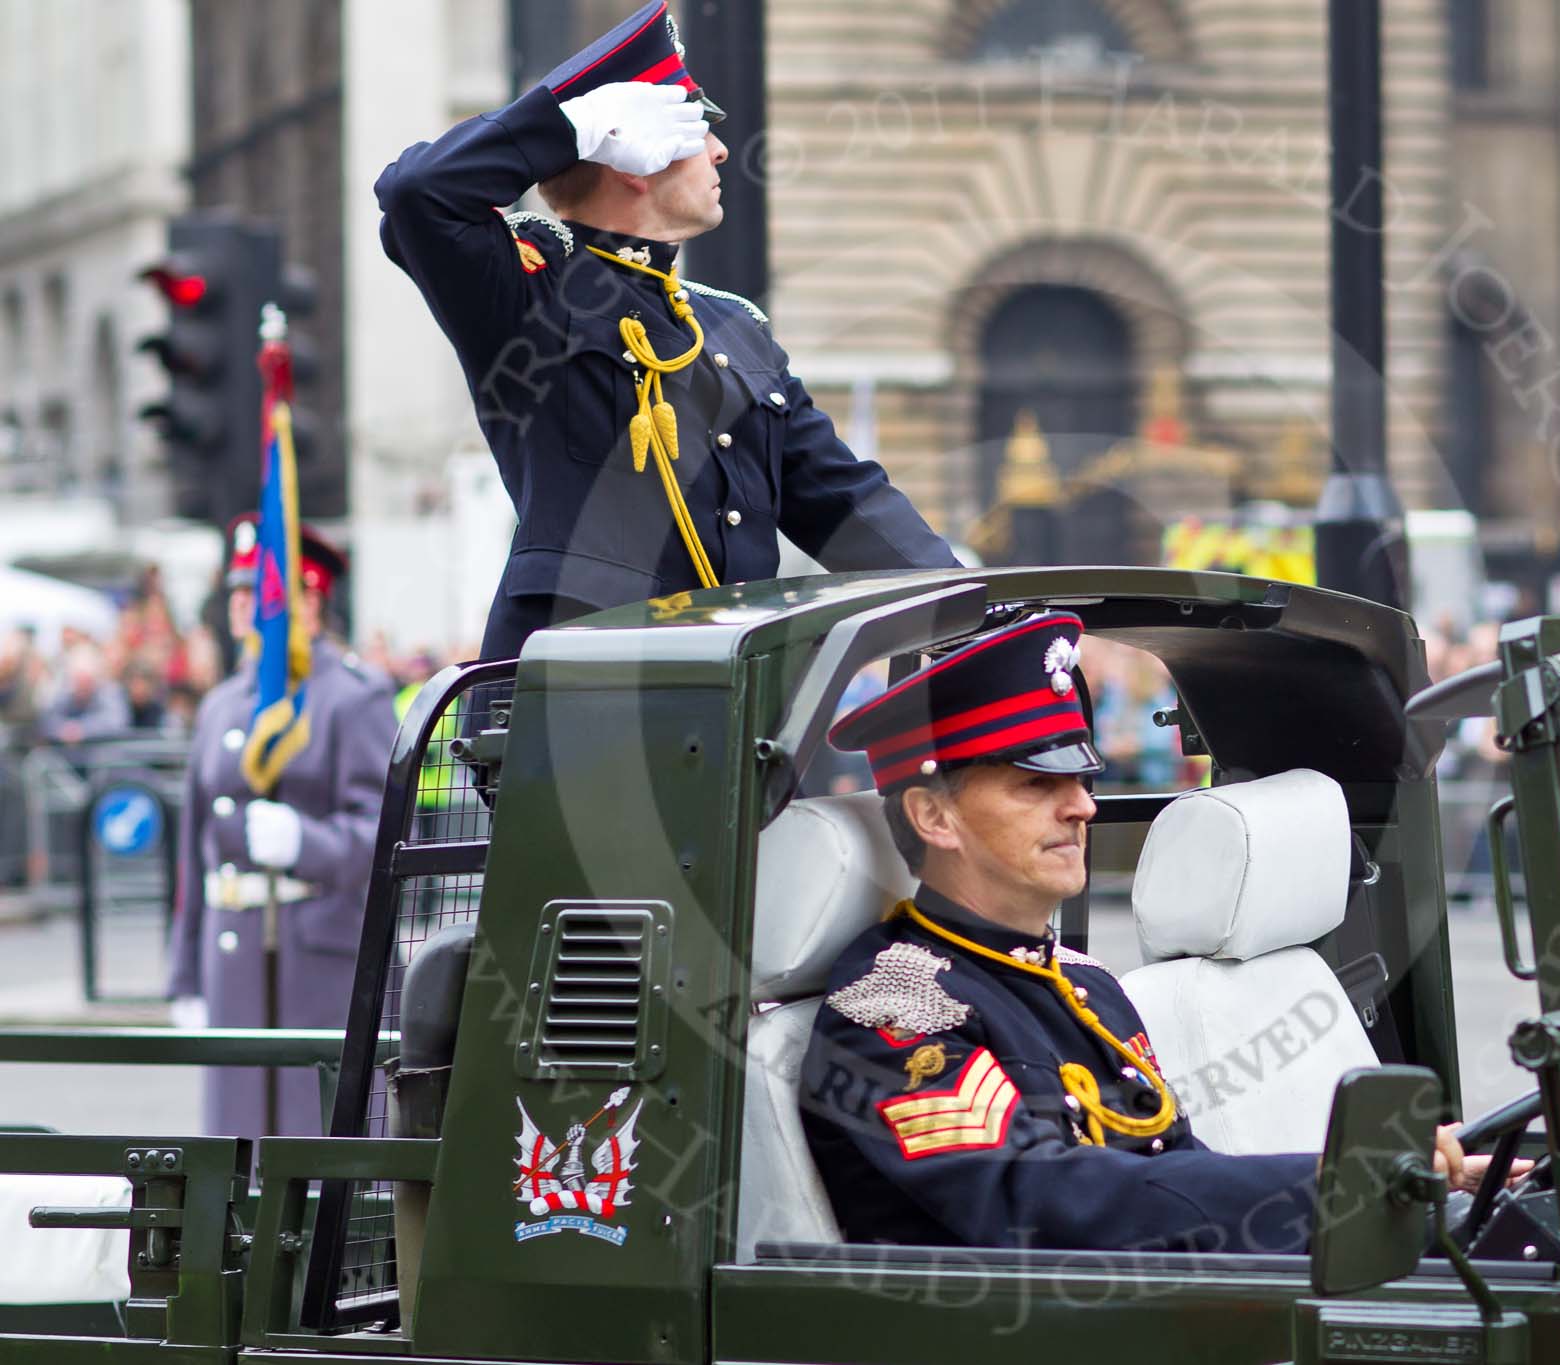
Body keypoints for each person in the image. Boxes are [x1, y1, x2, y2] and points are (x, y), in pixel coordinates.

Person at [801, 612, 1489, 1251]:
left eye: (1080, 777)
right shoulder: (893, 1005)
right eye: (1035, 784)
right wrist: (1334, 1182)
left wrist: (1393, 1189)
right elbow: (1037, 1200)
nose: (1083, 805)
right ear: (933, 816)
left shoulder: (1087, 983)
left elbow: (1175, 1175)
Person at [375, 0, 956, 663]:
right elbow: (417, 194)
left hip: (725, 709)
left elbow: (843, 502)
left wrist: (973, 600)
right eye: (695, 128)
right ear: (630, 158)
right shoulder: (533, 296)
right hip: (577, 713)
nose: (720, 149)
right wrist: (567, 127)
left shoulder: (734, 329)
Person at [165, 518, 397, 1138]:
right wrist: (184, 973)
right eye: (238, 594)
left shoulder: (352, 696)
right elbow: (197, 852)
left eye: (259, 593)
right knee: (237, 1144)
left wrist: (305, 843)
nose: (243, 607)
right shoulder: (222, 704)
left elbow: (383, 833)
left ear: (309, 601)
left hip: (314, 953)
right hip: (233, 949)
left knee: (313, 1139)